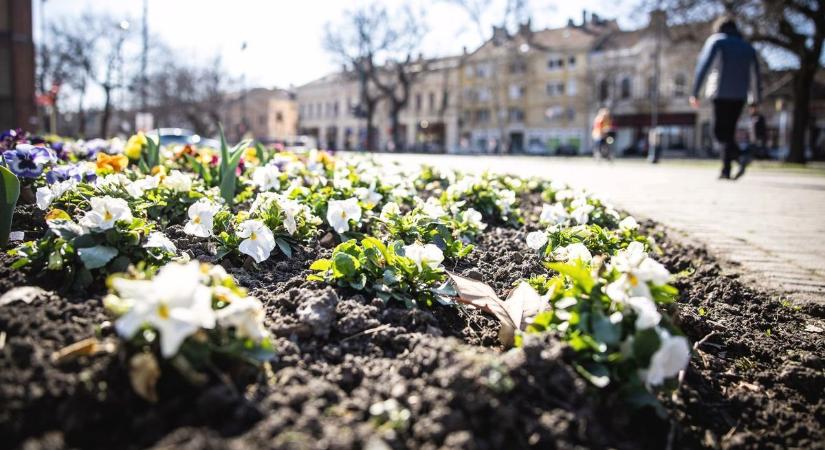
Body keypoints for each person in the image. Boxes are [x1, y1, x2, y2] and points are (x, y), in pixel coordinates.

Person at [690, 15, 762, 180]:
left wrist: (695, 92)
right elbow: (755, 76)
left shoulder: (717, 41)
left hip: (720, 92)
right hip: (740, 95)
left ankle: (740, 155)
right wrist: (755, 100)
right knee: (729, 132)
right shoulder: (747, 47)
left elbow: (703, 66)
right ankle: (726, 169)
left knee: (718, 132)